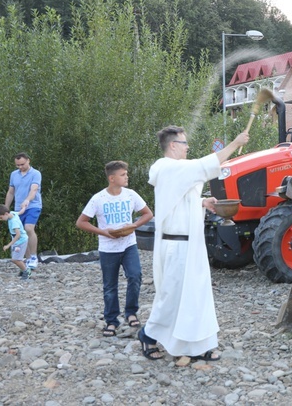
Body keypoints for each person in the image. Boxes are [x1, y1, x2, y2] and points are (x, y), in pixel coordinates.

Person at [138, 126, 249, 361]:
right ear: (173, 145)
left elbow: (178, 199)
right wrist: (235, 143)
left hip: (188, 244)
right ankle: (147, 335)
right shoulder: (168, 168)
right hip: (177, 245)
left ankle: (196, 346)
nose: (188, 147)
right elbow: (203, 166)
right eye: (185, 143)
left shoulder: (174, 172)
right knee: (172, 296)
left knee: (195, 296)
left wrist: (200, 202)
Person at [76, 161, 153, 337]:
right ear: (112, 178)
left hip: (129, 245)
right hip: (108, 248)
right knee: (110, 286)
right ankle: (111, 321)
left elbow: (148, 214)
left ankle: (131, 312)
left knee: (135, 276)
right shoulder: (98, 199)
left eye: (126, 174)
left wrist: (134, 225)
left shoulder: (131, 195)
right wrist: (102, 232)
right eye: (123, 174)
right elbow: (81, 222)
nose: (127, 177)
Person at [4, 152, 42, 270]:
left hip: (33, 205)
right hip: (17, 209)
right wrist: (6, 208)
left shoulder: (35, 174)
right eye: (17, 165)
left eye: (22, 164)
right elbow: (11, 192)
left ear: (28, 160)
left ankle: (34, 257)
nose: (20, 167)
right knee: (20, 233)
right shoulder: (14, 175)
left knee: (28, 228)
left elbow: (34, 189)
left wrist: (27, 200)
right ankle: (28, 258)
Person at [0, 204, 31, 279]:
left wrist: (8, 245)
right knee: (16, 258)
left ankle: (26, 272)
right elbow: (20, 212)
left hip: (21, 241)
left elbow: (18, 235)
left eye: (1, 217)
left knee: (15, 259)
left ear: (6, 214)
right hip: (17, 241)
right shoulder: (13, 213)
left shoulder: (14, 222)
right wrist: (24, 207)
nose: (0, 219)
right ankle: (23, 268)